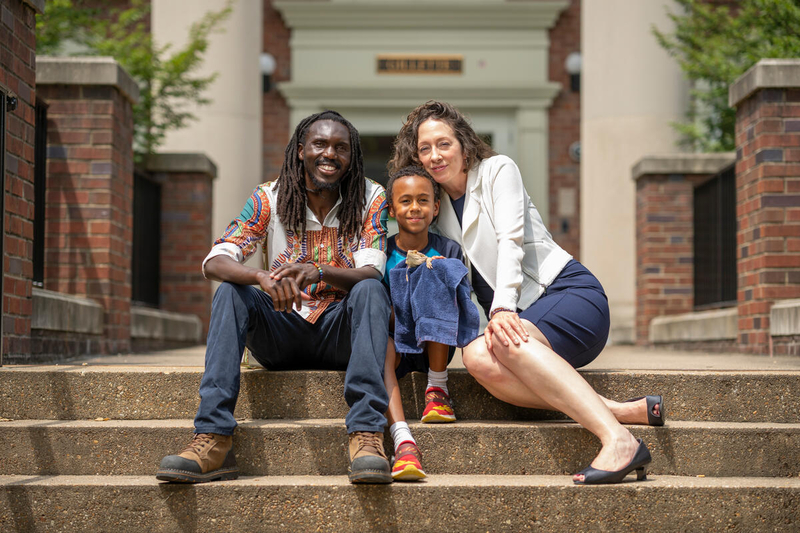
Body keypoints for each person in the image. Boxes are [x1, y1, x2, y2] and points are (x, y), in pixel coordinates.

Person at [389, 101, 665, 485]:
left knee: (498, 342)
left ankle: (618, 440)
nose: (435, 155)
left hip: (567, 294)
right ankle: (618, 411)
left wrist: (501, 308)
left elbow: (510, 242)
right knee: (477, 358)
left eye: (444, 144)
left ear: (464, 146)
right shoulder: (436, 208)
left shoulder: (498, 171)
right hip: (525, 325)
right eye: (424, 148)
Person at [156, 110, 394, 485]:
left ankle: (366, 436)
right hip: (280, 330)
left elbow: (371, 271)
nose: (329, 154)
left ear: (352, 156)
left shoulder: (371, 196)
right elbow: (216, 259)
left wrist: (320, 271)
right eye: (319, 144)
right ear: (300, 150)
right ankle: (213, 438)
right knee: (232, 293)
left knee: (370, 290)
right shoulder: (269, 197)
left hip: (339, 333)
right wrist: (260, 277)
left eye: (340, 148)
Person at [381, 165, 478, 481]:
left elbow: (461, 301)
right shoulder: (381, 250)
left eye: (423, 200)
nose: (414, 208)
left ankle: (437, 389)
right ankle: (403, 440)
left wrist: (436, 273)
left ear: (435, 208)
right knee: (379, 342)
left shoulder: (448, 248)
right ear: (392, 208)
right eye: (405, 201)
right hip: (395, 340)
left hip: (434, 342)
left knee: (437, 271)